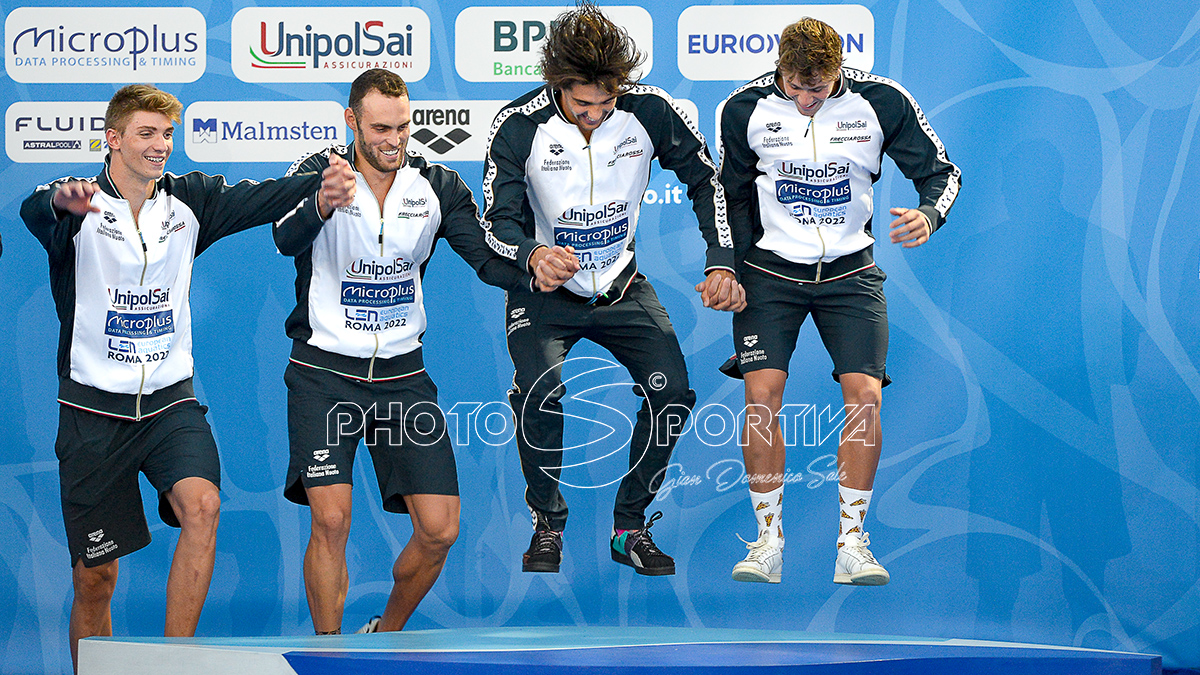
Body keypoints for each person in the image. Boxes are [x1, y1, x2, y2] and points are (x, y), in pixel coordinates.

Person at [19, 84, 355, 670]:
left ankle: (174, 661)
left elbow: (264, 197)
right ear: (113, 138)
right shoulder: (75, 208)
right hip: (93, 414)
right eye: (146, 134)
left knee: (202, 505)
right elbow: (36, 206)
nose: (160, 146)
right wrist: (62, 201)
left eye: (167, 134)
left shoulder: (189, 202)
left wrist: (325, 178)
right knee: (96, 579)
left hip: (171, 407)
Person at [480, 0, 745, 577]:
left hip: (622, 286)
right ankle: (546, 524)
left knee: (672, 395)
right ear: (557, 85)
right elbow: (495, 221)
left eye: (608, 101)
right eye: (582, 103)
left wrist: (722, 260)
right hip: (545, 292)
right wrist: (532, 254)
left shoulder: (649, 113)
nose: (597, 114)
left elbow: (707, 182)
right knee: (537, 393)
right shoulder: (518, 124)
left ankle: (629, 527)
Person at [276, 68, 529, 634]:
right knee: (332, 520)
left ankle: (383, 635)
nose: (393, 140)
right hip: (323, 374)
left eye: (403, 127)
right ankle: (329, 653)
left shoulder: (436, 185)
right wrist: (321, 203)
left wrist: (534, 266)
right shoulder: (317, 173)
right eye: (380, 128)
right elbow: (284, 238)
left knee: (439, 529)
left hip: (402, 377)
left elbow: (485, 259)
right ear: (352, 122)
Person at [717, 17, 961, 585]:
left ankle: (853, 543)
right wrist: (726, 266)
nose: (805, 102)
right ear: (780, 69)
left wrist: (928, 213)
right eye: (795, 88)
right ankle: (767, 542)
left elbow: (941, 171)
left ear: (837, 73)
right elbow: (726, 194)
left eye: (818, 90)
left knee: (864, 397)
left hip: (851, 273)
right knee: (762, 395)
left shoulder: (882, 102)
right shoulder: (744, 109)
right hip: (769, 273)